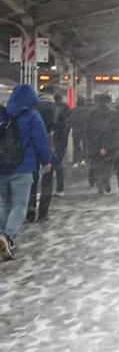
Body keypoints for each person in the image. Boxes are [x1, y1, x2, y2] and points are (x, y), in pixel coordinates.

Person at [0, 84, 52, 260]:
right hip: (23, 167)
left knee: (5, 203)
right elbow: (41, 141)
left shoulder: (2, 115)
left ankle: (2, 235)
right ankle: (8, 236)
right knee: (20, 205)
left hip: (2, 167)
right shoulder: (32, 116)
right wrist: (47, 160)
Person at [27, 86, 57, 221]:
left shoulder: (32, 108)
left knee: (32, 182)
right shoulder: (55, 108)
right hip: (49, 147)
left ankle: (30, 212)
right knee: (47, 181)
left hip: (31, 149)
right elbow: (61, 131)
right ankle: (43, 213)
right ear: (53, 94)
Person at [52, 92, 71, 196]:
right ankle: (60, 188)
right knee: (58, 163)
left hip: (54, 138)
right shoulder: (66, 107)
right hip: (63, 138)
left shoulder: (54, 107)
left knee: (54, 163)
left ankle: (55, 188)